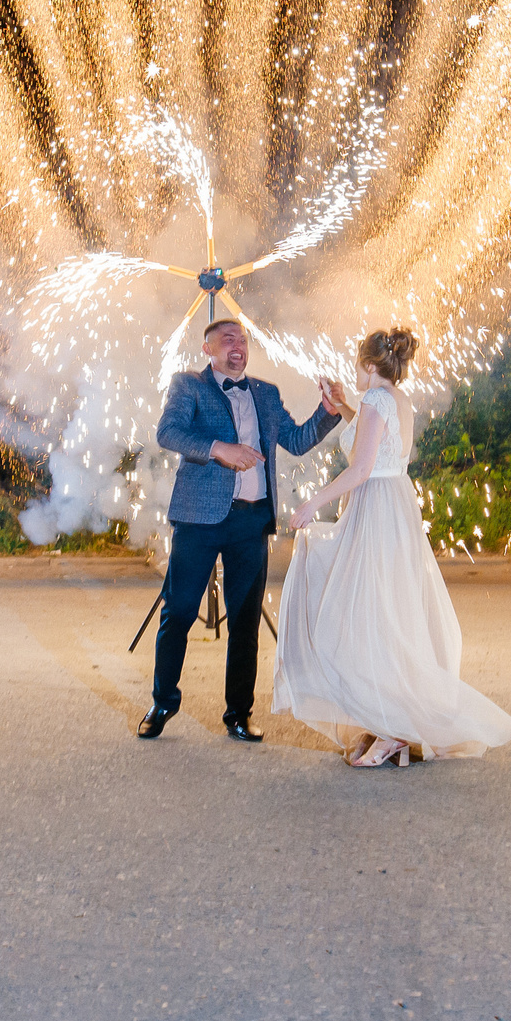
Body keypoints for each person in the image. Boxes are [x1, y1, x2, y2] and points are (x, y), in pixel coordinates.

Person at [273, 327, 511, 767]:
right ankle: (392, 726)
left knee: (367, 612)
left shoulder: (375, 401)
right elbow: (378, 446)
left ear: (370, 367)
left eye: (358, 368)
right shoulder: (396, 400)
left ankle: (391, 730)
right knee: (386, 610)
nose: (356, 375)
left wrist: (314, 503)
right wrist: (343, 406)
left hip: (375, 507)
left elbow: (363, 468)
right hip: (394, 505)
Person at [139, 318, 348, 743]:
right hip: (199, 519)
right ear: (208, 349)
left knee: (246, 622)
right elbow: (168, 432)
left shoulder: (266, 393)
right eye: (227, 339)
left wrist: (328, 411)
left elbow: (297, 439)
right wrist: (220, 449)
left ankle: (238, 713)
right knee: (178, 612)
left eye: (243, 340)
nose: (238, 346)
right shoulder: (189, 385)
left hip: (251, 521)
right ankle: (162, 702)